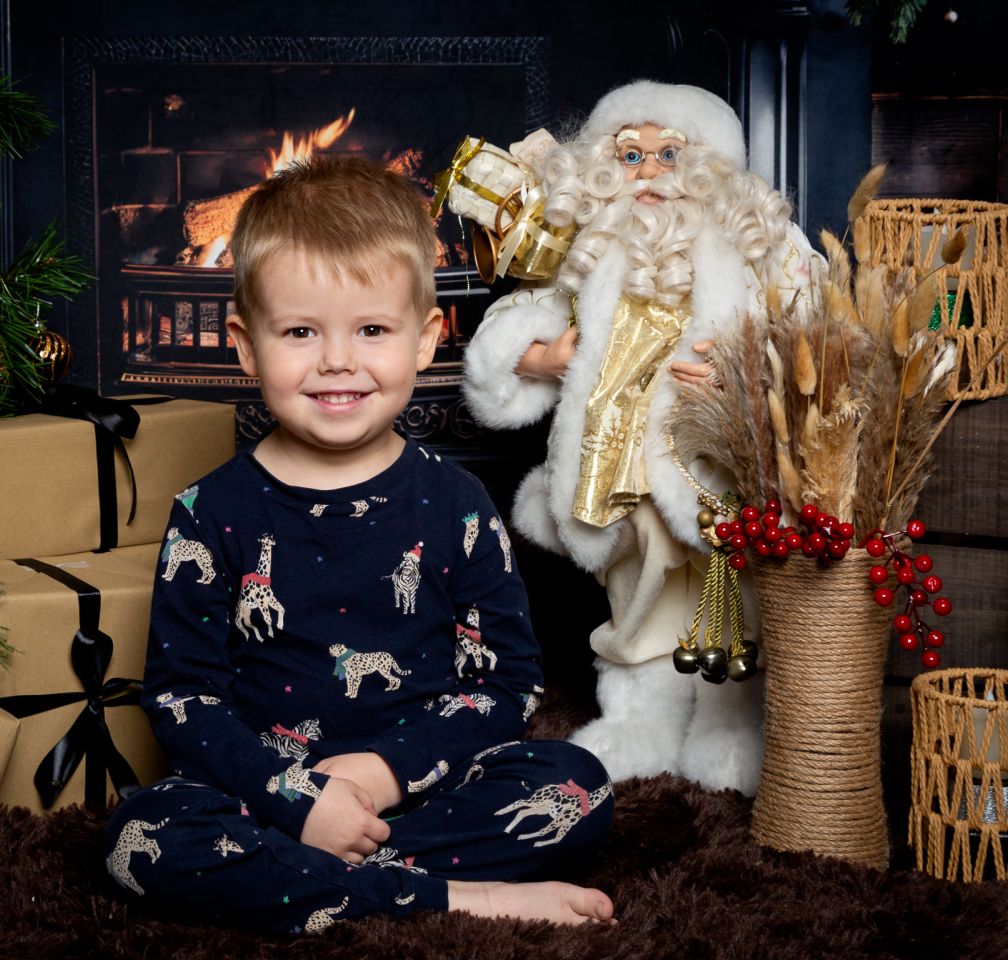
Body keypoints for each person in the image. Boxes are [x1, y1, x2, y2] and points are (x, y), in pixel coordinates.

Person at [104, 155, 616, 935]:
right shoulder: (210, 512)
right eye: (302, 332)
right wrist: (296, 800)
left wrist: (381, 777)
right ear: (245, 345)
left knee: (576, 785)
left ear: (424, 339)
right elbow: (183, 701)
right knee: (138, 838)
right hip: (269, 801)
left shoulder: (457, 505)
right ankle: (450, 897)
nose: (338, 361)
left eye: (372, 330)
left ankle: (321, 883)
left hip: (417, 791)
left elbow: (506, 686)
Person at [460, 80, 816, 795]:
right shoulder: (592, 254)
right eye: (629, 155)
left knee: (730, 597)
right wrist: (541, 358)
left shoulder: (753, 250)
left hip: (713, 467)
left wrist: (745, 375)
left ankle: (730, 720)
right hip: (615, 462)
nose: (649, 172)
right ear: (602, 167)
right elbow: (519, 320)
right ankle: (640, 715)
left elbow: (811, 331)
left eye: (670, 154)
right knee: (638, 594)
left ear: (712, 168)